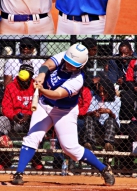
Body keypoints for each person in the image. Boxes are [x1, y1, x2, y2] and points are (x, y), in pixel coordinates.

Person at [11, 43, 115, 186]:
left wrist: (41, 89)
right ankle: (19, 173)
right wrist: (42, 74)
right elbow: (47, 64)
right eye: (67, 61)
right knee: (32, 137)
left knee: (70, 148)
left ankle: (103, 169)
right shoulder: (65, 57)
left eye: (73, 64)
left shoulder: (77, 80)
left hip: (64, 112)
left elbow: (57, 94)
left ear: (81, 66)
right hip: (43, 105)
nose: (68, 65)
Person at [0, 64, 43, 171]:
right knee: (1, 120)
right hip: (13, 120)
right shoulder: (11, 86)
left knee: (39, 122)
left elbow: (41, 106)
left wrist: (29, 114)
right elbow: (6, 107)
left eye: (27, 79)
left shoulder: (36, 86)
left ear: (31, 77)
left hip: (30, 120)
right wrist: (13, 116)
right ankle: (5, 158)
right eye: (22, 79)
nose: (24, 82)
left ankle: (36, 159)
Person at [83, 78, 121, 152]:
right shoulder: (95, 98)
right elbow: (88, 113)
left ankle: (109, 144)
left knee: (110, 120)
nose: (102, 94)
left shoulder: (116, 100)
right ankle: (89, 143)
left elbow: (115, 117)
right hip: (98, 125)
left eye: (104, 92)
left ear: (109, 91)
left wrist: (109, 112)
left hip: (111, 126)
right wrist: (93, 113)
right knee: (88, 118)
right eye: (100, 92)